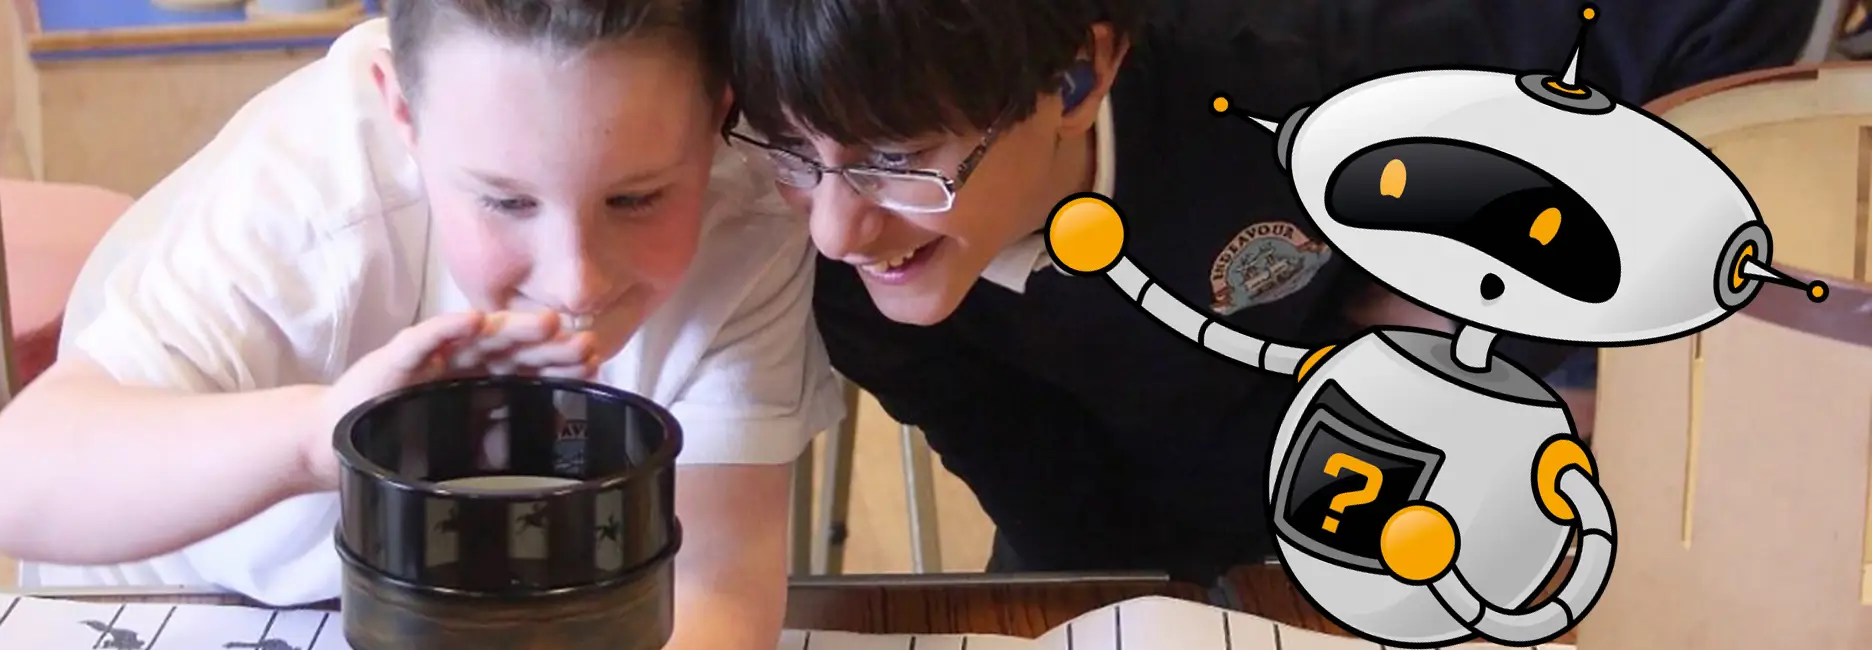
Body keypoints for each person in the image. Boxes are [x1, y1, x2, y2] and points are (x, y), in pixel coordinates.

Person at [721, 0, 1819, 587]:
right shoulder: (870, 286)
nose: (834, 222)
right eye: (792, 153)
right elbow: (1076, 529)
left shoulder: (1283, 81)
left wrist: (1525, 329)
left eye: (899, 158)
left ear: (1075, 75)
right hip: (1168, 529)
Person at [0, 1, 842, 648]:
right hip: (192, 599)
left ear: (721, 110)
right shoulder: (308, 197)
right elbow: (9, 487)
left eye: (638, 197)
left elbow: (716, 582)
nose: (578, 282)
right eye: (504, 199)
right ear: (403, 115)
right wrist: (320, 432)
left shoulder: (754, 215)